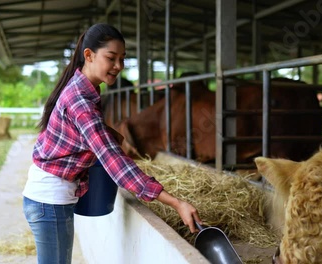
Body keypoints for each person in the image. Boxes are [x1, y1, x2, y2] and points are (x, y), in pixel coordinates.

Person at [22, 23, 202, 264]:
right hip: (49, 200)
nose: (119, 66)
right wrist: (176, 203)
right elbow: (115, 164)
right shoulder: (81, 101)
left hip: (51, 198)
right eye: (111, 58)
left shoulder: (84, 89)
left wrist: (108, 135)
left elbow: (83, 137)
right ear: (89, 55)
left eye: (122, 59)